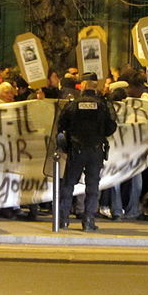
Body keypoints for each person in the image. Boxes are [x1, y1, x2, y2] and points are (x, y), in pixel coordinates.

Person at [57, 73, 117, 231]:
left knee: (68, 184)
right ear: (95, 86)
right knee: (92, 187)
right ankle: (88, 221)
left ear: (83, 86)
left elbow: (61, 124)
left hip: (76, 149)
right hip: (95, 149)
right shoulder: (103, 105)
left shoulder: (73, 104)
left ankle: (63, 220)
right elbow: (112, 126)